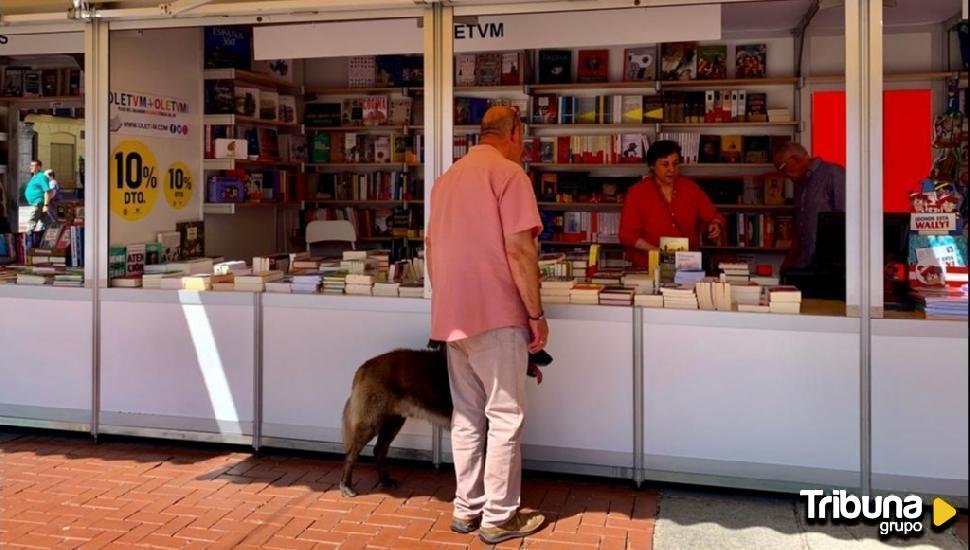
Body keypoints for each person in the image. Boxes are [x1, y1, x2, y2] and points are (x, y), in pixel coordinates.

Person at [425, 106, 547, 545]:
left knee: (467, 415)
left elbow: (431, 249)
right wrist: (535, 315)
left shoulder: (446, 179)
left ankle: (465, 508)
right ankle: (499, 516)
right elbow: (520, 251)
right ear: (514, 132)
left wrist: (445, 305)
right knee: (505, 415)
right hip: (497, 315)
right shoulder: (510, 175)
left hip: (452, 318)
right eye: (523, 137)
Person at [619, 140, 725, 268]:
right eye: (665, 164)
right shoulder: (637, 192)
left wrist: (715, 225)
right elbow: (627, 235)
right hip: (649, 265)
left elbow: (713, 215)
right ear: (652, 166)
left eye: (675, 164)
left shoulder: (690, 188)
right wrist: (657, 252)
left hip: (686, 265)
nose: (671, 169)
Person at [772, 142, 846, 269]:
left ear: (795, 159)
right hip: (805, 264)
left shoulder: (834, 174)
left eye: (781, 168)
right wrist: (789, 262)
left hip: (830, 266)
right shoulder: (799, 185)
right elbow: (799, 227)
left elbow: (846, 220)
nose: (782, 174)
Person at [24, 160, 52, 234]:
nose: (31, 167)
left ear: (39, 167)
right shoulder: (34, 176)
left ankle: (27, 238)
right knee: (47, 221)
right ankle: (54, 231)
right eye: (30, 165)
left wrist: (46, 205)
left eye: (33, 166)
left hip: (38, 202)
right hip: (35, 203)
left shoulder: (41, 176)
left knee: (31, 222)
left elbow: (47, 191)